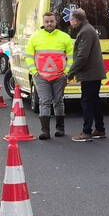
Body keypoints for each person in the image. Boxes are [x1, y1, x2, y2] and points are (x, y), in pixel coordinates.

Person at [25, 11, 74, 140]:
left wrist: (66, 72)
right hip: (41, 77)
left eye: (52, 21)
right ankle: (45, 131)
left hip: (59, 76)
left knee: (58, 102)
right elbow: (29, 56)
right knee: (44, 102)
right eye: (47, 21)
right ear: (43, 22)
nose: (49, 24)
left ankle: (60, 129)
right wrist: (34, 72)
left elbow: (71, 56)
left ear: (55, 21)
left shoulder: (64, 37)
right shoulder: (35, 37)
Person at [66, 8, 106, 142]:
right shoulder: (88, 29)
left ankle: (86, 131)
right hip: (93, 73)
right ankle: (100, 129)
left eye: (71, 19)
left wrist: (71, 72)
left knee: (87, 102)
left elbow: (82, 56)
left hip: (90, 74)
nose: (70, 22)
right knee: (94, 101)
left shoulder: (85, 32)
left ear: (76, 20)